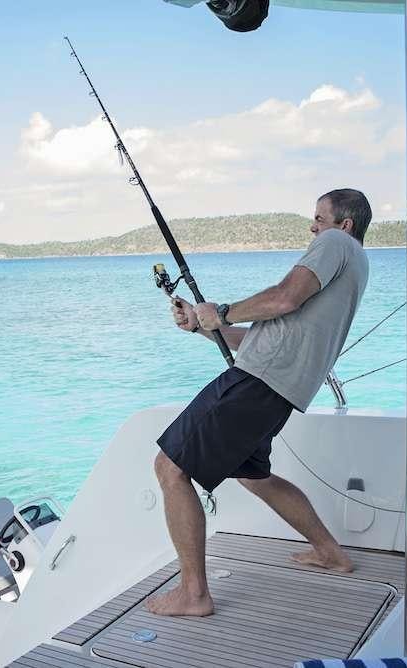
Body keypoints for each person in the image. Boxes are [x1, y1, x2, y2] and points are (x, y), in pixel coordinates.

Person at [145, 188, 371, 617]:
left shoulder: (337, 244)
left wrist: (224, 310)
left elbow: (285, 297)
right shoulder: (351, 269)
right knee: (253, 476)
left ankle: (194, 594)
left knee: (170, 467)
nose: (313, 227)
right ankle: (330, 553)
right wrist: (201, 325)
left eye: (319, 219)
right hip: (277, 385)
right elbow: (263, 337)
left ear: (345, 225)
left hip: (257, 381)